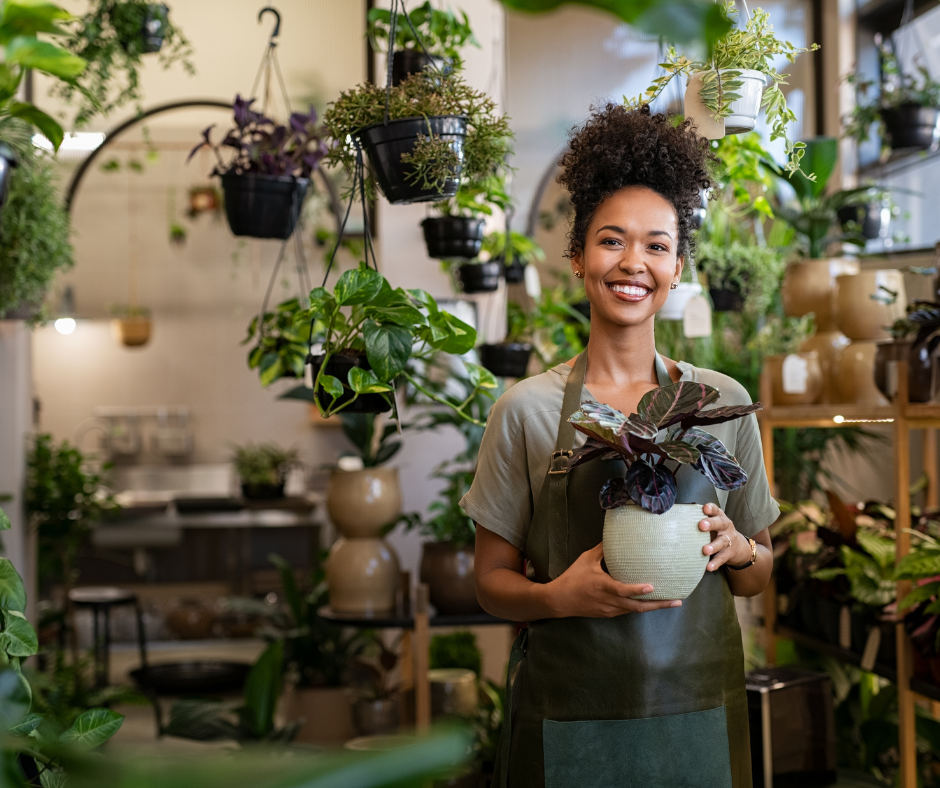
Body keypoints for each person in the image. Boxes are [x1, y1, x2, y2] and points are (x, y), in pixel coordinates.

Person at [460, 104, 779, 788]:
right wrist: (559, 597)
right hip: (570, 720)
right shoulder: (526, 411)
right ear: (578, 257)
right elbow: (489, 582)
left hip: (698, 717)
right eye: (612, 241)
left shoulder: (719, 403)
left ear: (677, 265)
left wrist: (741, 549)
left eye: (657, 245)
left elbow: (758, 573)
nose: (634, 262)